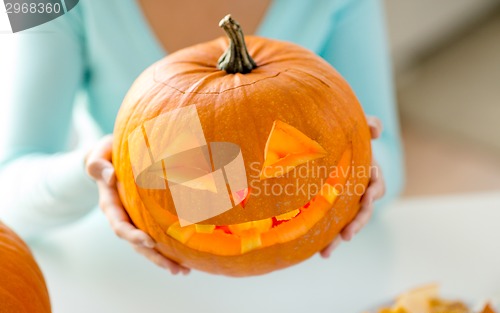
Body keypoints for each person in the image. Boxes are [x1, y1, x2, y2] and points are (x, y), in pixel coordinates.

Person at [0, 0, 404, 275]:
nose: (248, 186)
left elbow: (386, 160)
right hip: (124, 276)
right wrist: (105, 166)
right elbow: (8, 190)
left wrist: (365, 168)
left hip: (315, 280)